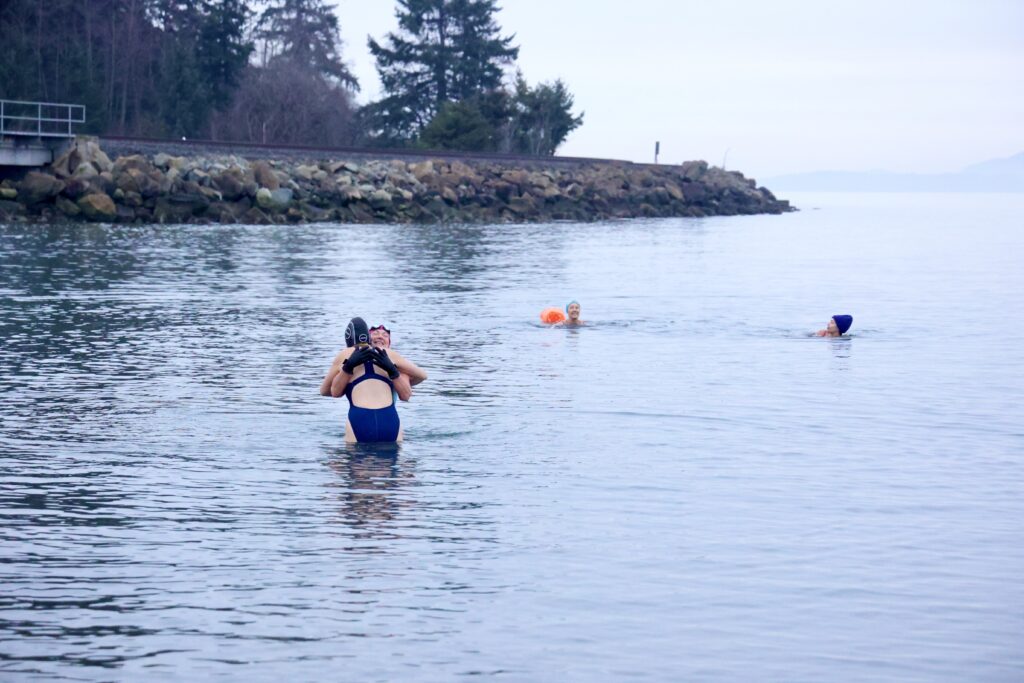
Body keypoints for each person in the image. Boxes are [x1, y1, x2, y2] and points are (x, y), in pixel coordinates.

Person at [319, 317, 427, 443]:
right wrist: (393, 372)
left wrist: (393, 371)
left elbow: (329, 391)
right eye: (375, 334)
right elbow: (419, 380)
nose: (380, 336)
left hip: (359, 420)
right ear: (368, 339)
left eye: (385, 335)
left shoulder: (394, 362)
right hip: (389, 421)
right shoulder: (394, 359)